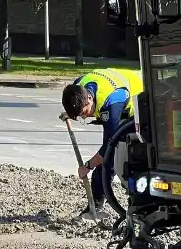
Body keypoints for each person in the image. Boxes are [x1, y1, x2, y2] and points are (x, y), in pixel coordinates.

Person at [62, 68, 144, 208]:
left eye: (84, 113)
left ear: (89, 99)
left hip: (142, 97)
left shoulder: (112, 101)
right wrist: (71, 114)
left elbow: (108, 148)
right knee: (107, 157)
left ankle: (139, 201)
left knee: (116, 156)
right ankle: (97, 203)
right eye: (80, 116)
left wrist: (88, 166)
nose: (84, 117)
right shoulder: (79, 86)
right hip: (123, 84)